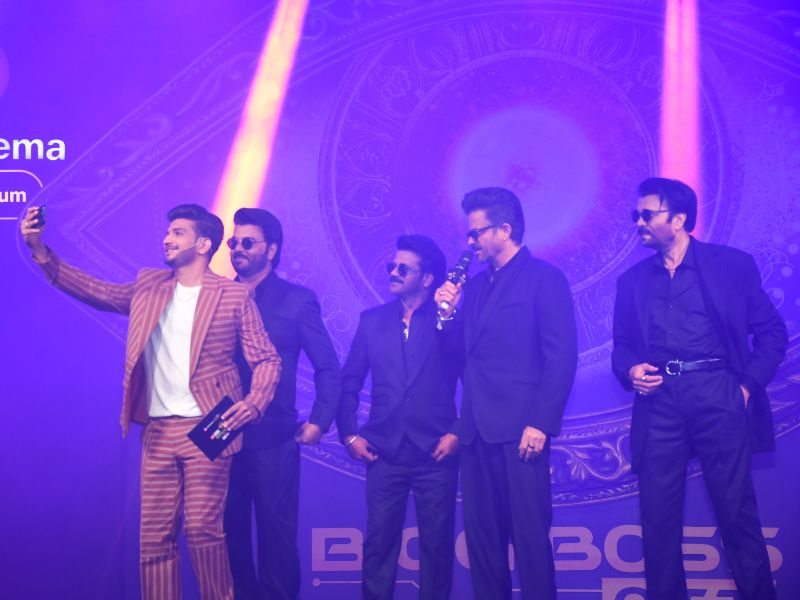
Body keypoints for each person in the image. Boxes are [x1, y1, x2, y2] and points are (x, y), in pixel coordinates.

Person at [20, 204, 281, 600]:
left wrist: (254, 402)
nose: (167, 239)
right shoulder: (149, 285)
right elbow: (98, 291)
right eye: (168, 232)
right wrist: (40, 250)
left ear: (203, 244)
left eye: (178, 233)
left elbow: (267, 359)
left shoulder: (233, 294)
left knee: (202, 529)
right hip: (159, 429)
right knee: (155, 537)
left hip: (212, 425)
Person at [611, 177, 787, 599]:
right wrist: (631, 369)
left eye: (647, 214)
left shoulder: (731, 265)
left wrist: (745, 387)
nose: (638, 222)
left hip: (717, 395)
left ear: (678, 219)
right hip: (659, 402)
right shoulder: (631, 281)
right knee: (658, 522)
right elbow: (621, 346)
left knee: (737, 517)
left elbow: (773, 334)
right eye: (635, 215)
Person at [435, 187, 577, 599]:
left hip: (521, 432)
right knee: (483, 546)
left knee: (530, 542)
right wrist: (447, 316)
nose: (470, 242)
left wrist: (541, 423)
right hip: (476, 431)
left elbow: (561, 357)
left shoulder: (544, 279)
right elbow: (458, 358)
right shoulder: (476, 287)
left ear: (505, 230)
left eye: (476, 232)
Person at [224, 208, 341, 600]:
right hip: (220, 436)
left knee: (276, 537)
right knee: (226, 536)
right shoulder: (216, 296)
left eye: (247, 242)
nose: (237, 249)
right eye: (233, 242)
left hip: (274, 438)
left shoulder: (297, 301)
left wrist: (320, 420)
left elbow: (328, 368)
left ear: (271, 250)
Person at [337, 234, 462, 600]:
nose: (393, 272)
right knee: (378, 546)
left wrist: (458, 432)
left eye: (403, 268)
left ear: (427, 279)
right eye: (392, 266)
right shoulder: (372, 321)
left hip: (436, 450)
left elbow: (475, 380)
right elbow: (349, 381)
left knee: (437, 549)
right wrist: (348, 434)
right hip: (383, 450)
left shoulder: (450, 322)